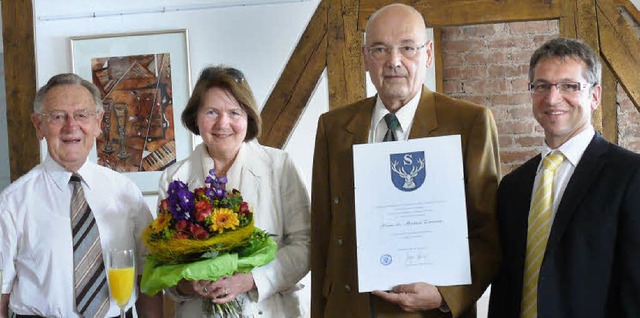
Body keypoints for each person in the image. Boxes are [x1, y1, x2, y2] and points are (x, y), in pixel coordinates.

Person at [311, 3, 501, 318]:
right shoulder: (332, 127)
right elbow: (322, 235)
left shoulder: (469, 123)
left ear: (427, 54)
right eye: (380, 49)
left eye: (407, 48)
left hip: (429, 313)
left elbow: (488, 231)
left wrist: (445, 295)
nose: (394, 61)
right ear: (365, 57)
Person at [488, 37, 640, 317]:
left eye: (569, 86)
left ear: (594, 96)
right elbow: (506, 286)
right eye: (542, 86)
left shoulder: (630, 175)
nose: (552, 98)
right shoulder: (513, 187)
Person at [0, 73, 163, 317]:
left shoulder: (126, 192)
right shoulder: (12, 202)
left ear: (98, 123)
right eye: (57, 117)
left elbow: (147, 274)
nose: (71, 126)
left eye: (82, 115)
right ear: (38, 126)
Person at [160, 66, 311, 317]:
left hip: (269, 310)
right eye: (211, 112)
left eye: (234, 112)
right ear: (195, 117)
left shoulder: (280, 166)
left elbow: (306, 245)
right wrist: (189, 283)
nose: (223, 123)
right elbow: (165, 265)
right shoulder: (174, 178)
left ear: (248, 117)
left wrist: (252, 279)